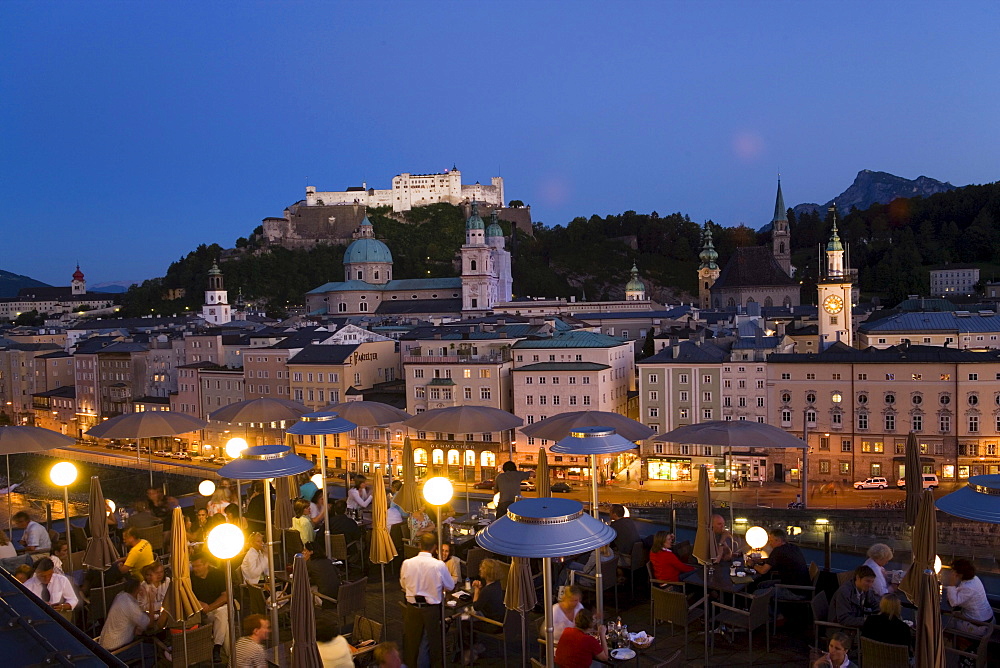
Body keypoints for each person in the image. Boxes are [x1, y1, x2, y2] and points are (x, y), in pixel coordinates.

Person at [399, 532, 454, 668]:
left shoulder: (407, 563)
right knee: (434, 644)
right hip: (431, 609)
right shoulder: (439, 565)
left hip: (412, 608)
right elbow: (450, 586)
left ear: (419, 545)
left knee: (411, 644)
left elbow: (403, 584)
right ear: (435, 548)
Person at [98, 576, 153, 663]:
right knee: (152, 650)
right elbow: (149, 623)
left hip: (105, 646)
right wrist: (151, 600)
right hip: (117, 650)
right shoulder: (130, 605)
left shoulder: (120, 596)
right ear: (137, 589)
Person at [190, 551, 230, 661]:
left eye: (198, 566)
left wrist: (210, 607)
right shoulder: (190, 578)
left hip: (217, 609)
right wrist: (199, 602)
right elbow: (188, 596)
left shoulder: (218, 574)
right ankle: (231, 657)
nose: (195, 569)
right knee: (224, 623)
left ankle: (217, 648)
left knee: (222, 613)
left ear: (206, 564)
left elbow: (226, 596)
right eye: (193, 566)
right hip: (203, 614)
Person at [943, 558, 995, 636]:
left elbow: (953, 602)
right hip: (987, 621)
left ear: (960, 574)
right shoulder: (974, 579)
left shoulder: (968, 587)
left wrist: (952, 584)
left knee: (945, 622)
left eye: (954, 571)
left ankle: (949, 643)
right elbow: (961, 592)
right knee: (954, 614)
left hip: (978, 626)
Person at [303, 541, 342, 609]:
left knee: (303, 590)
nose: (303, 552)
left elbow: (304, 579)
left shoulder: (310, 564)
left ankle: (305, 612)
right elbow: (337, 573)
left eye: (305, 550)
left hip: (325, 600)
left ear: (311, 552)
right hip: (338, 596)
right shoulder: (327, 561)